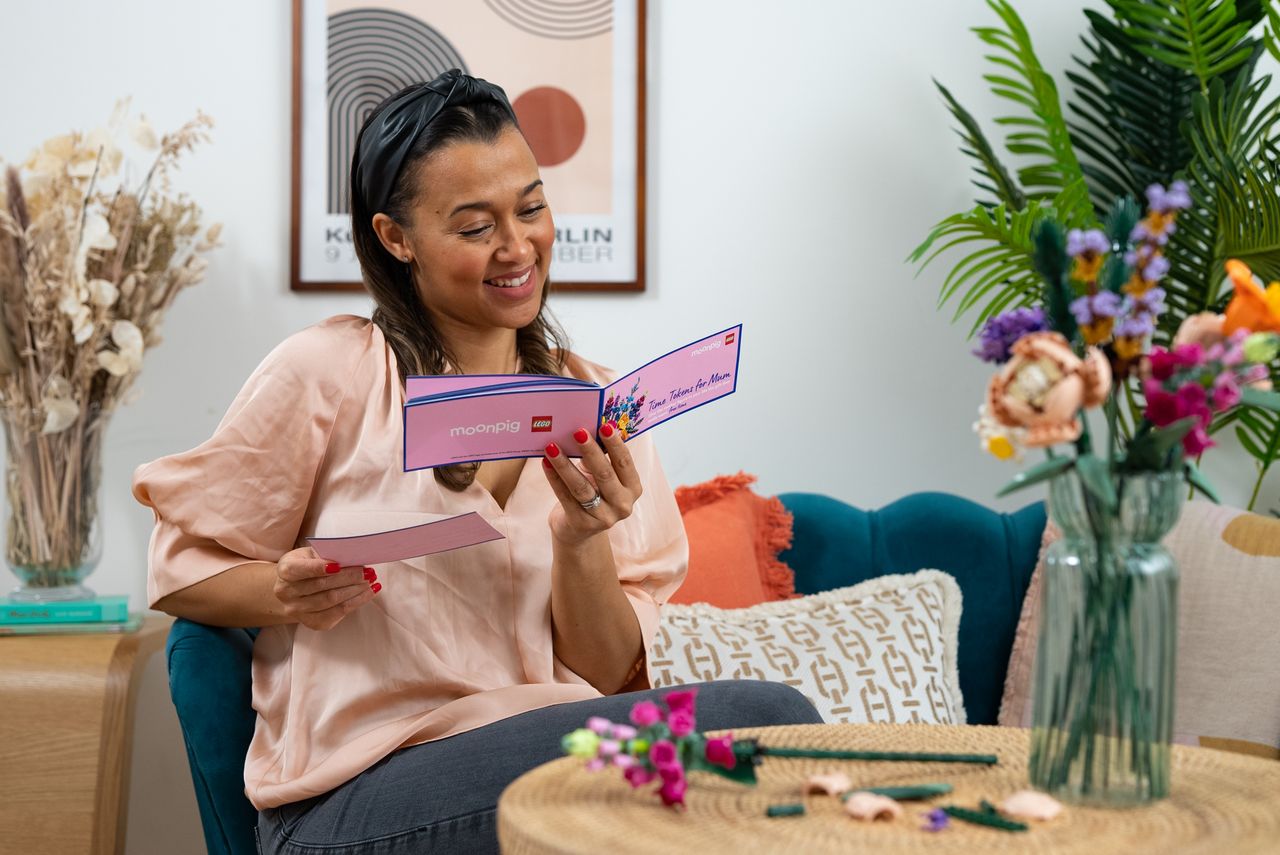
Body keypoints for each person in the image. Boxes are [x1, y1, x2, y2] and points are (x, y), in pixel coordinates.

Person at [134, 69, 821, 854]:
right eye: (473, 226)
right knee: (770, 720)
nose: (516, 246)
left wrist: (580, 537)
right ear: (397, 238)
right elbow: (178, 572)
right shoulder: (332, 371)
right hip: (358, 799)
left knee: (769, 727)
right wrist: (283, 591)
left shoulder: (597, 402)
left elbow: (603, 672)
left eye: (531, 207)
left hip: (547, 772)